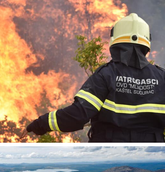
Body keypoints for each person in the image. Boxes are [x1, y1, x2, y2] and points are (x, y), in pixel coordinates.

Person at [24, 13, 165, 142]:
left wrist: (41, 124)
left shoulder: (106, 74)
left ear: (115, 42)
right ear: (146, 44)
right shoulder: (162, 77)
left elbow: (78, 115)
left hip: (109, 152)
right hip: (154, 155)